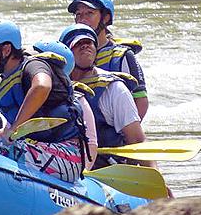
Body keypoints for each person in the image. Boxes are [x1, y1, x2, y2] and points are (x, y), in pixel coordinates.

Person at [0, 20, 88, 183]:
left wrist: (15, 128)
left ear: (5, 50)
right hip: (33, 148)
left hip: (66, 156)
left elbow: (41, 86)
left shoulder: (33, 65)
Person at [59, 23, 156, 170]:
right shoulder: (56, 87)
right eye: (78, 44)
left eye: (89, 42)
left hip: (105, 167)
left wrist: (155, 177)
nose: (85, 46)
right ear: (66, 54)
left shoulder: (114, 89)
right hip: (66, 162)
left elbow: (137, 139)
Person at [67, 0, 148, 119]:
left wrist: (128, 132)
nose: (82, 19)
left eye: (89, 13)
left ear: (105, 18)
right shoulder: (69, 53)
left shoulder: (122, 57)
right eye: (79, 14)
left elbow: (141, 100)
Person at [33, 40, 98, 170]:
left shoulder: (77, 100)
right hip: (36, 154)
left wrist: (83, 172)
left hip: (63, 160)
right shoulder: (30, 93)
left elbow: (90, 144)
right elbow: (8, 130)